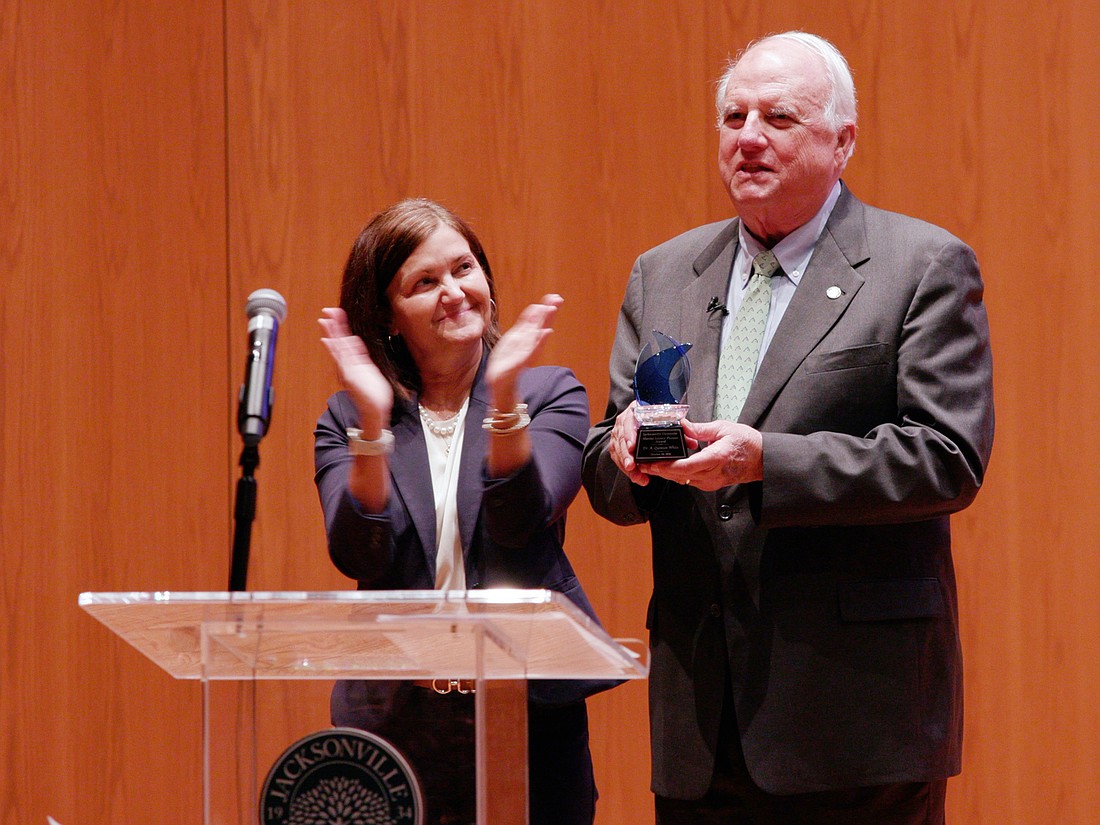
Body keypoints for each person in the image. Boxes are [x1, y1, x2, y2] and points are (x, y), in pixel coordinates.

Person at [582, 31, 994, 825]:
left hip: (857, 719)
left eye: (778, 117)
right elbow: (608, 464)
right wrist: (624, 453)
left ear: (843, 141)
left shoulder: (921, 266)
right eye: (733, 117)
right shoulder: (663, 273)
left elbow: (947, 456)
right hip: (702, 722)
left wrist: (768, 460)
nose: (748, 136)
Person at [314, 198, 612, 825]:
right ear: (389, 317)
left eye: (464, 269)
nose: (454, 291)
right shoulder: (348, 418)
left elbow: (520, 520)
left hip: (527, 719)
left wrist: (503, 397)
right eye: (425, 282)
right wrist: (372, 422)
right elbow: (358, 553)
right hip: (395, 724)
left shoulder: (548, 391)